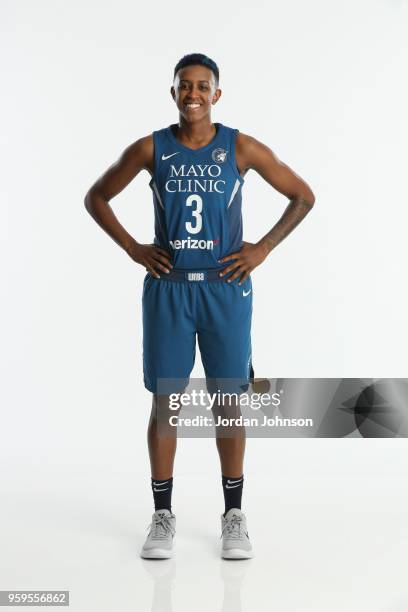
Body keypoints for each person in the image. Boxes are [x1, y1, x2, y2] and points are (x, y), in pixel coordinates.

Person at [84, 53, 315, 560]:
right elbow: (97, 196)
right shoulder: (152, 148)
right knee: (167, 403)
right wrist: (133, 247)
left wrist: (263, 248)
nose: (193, 94)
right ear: (173, 93)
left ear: (217, 94)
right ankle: (162, 515)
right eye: (184, 86)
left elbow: (302, 196)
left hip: (224, 287)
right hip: (169, 289)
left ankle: (234, 514)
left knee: (227, 402)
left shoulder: (240, 147)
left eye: (202, 86)